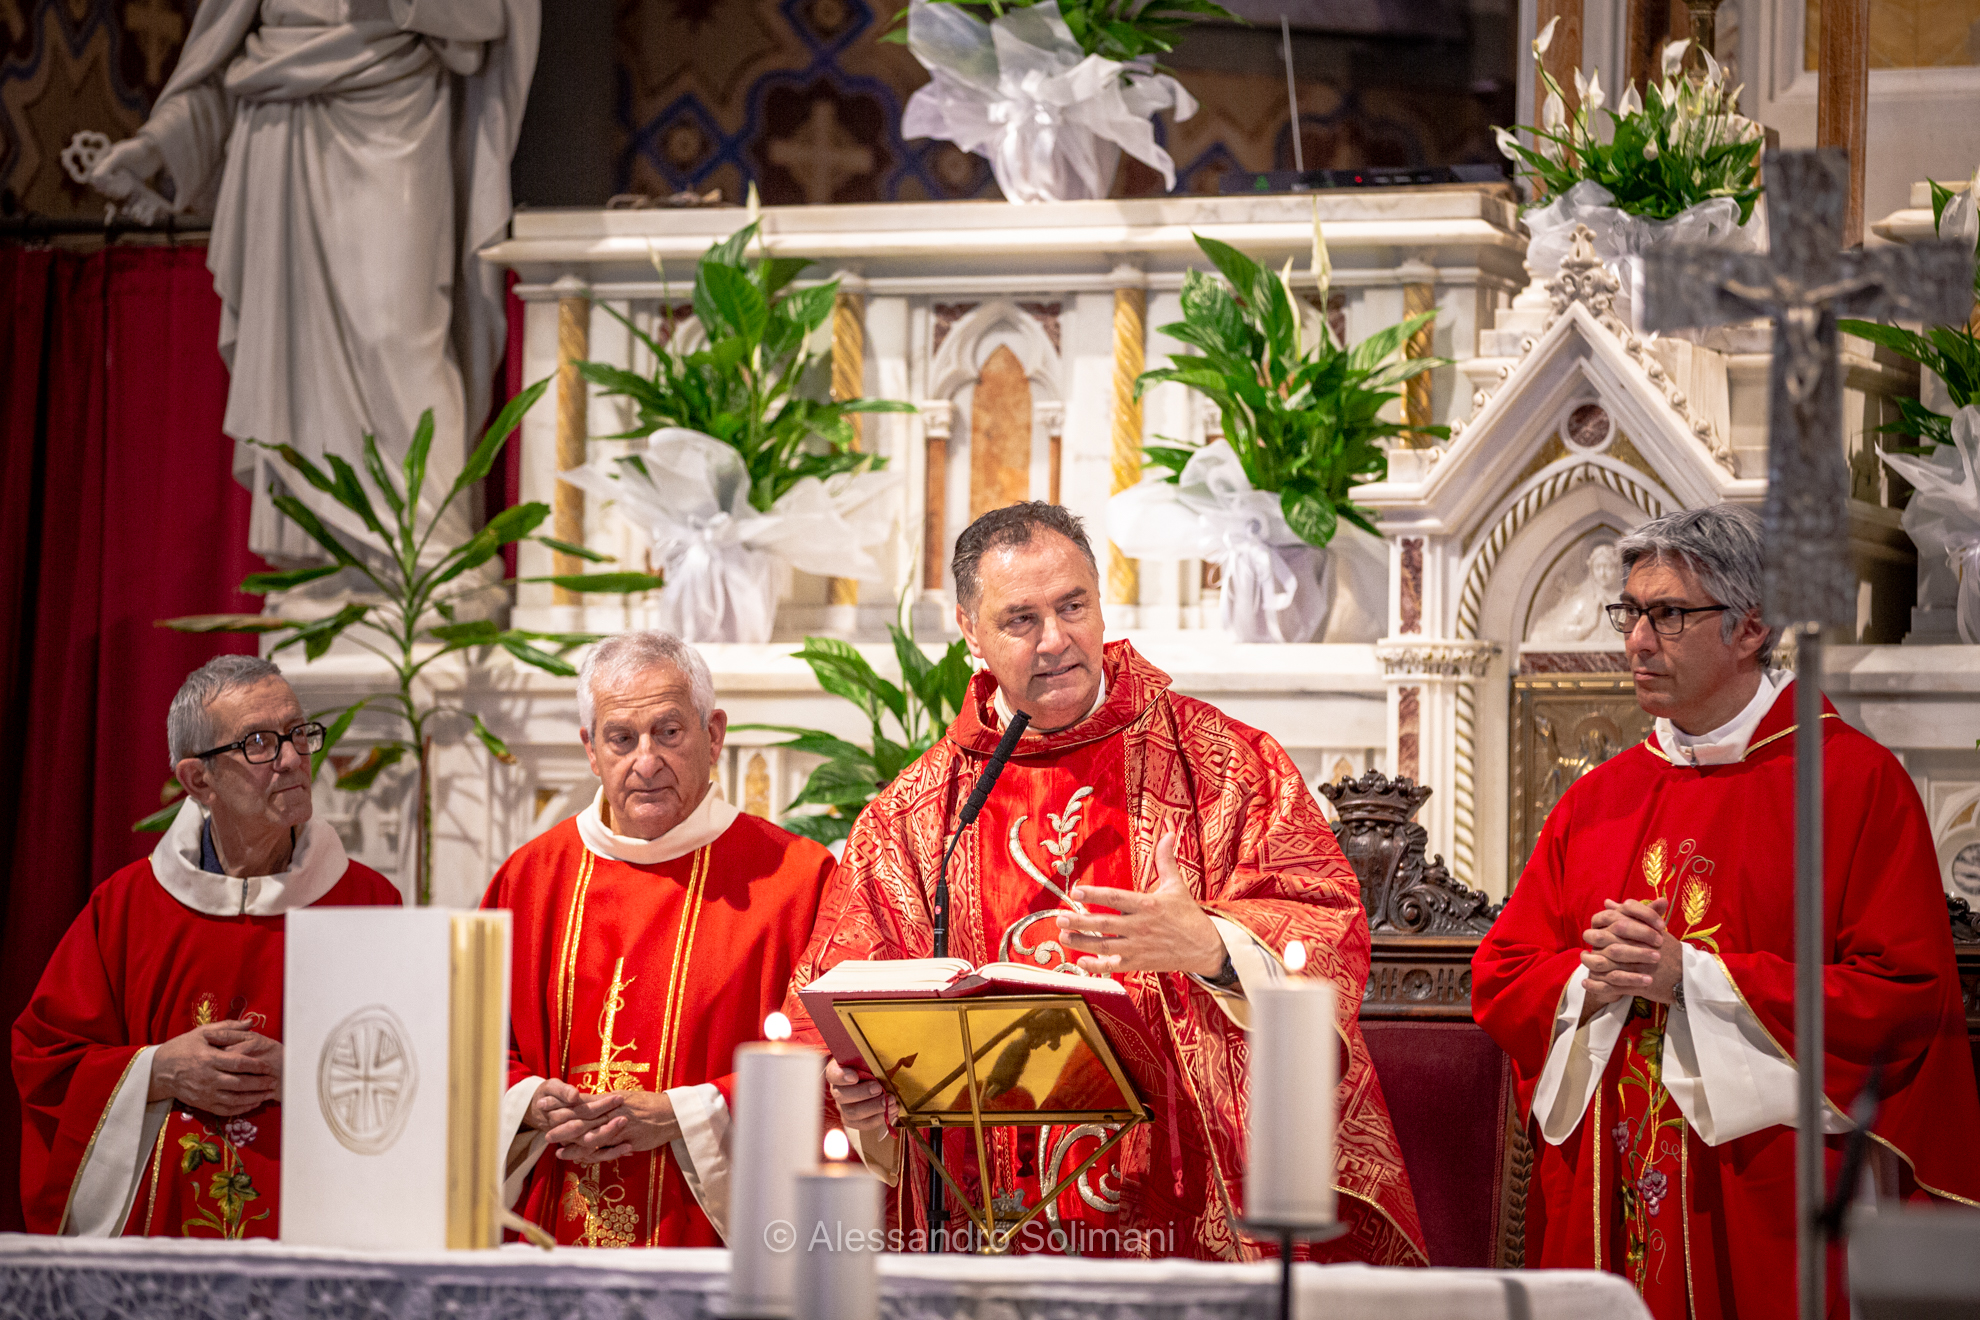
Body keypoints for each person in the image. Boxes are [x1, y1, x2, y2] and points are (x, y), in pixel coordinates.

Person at [788, 502, 1426, 1264]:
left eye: (1073, 607)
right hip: (989, 1224)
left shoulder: (1225, 765)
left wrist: (1215, 947)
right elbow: (832, 1013)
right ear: (969, 631)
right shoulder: (918, 816)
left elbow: (1326, 924)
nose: (1055, 640)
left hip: (1190, 1218)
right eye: (1021, 619)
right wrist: (863, 1097)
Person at [1472, 505, 1980, 1319]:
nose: (1637, 642)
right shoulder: (1596, 802)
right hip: (1610, 1194)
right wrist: (1589, 979)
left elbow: (1902, 996)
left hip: (1766, 1195)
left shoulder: (1851, 785)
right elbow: (1501, 976)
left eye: (1669, 614)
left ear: (1753, 627)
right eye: (1631, 613)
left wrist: (1694, 979)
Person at [83, 0, 536, 559]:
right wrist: (154, 146)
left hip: (396, 118)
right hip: (280, 131)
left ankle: (429, 555)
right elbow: (228, 65)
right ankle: (326, 563)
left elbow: (487, 18)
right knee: (292, 348)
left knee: (396, 334)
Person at [13, 656, 401, 1238]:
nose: (293, 759)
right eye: (259, 743)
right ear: (198, 780)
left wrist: (304, 1073)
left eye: (298, 732)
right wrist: (158, 1070)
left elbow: (414, 1071)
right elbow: (46, 1065)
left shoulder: (366, 903)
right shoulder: (128, 907)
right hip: (160, 1249)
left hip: (316, 1237)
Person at [483, 632, 833, 1247]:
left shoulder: (795, 881)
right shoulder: (531, 878)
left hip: (709, 1238)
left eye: (668, 733)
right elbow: (470, 1043)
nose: (645, 762)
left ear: (713, 735)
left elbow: (825, 1059)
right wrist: (532, 1101)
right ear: (591, 750)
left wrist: (682, 1114)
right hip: (550, 1227)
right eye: (621, 738)